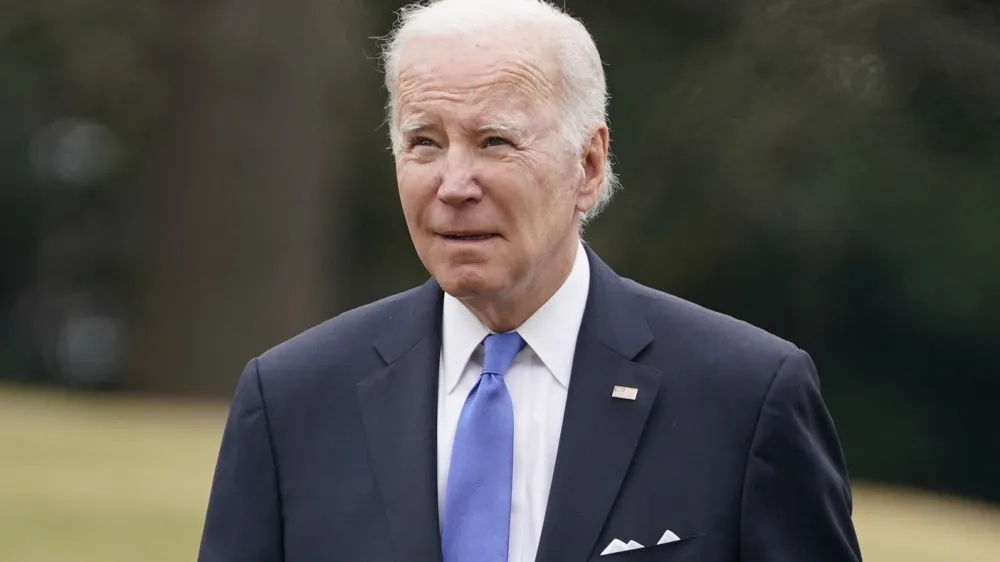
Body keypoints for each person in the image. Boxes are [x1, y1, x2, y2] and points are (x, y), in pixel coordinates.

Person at [197, 0, 863, 561]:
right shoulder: (291, 401)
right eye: (424, 142)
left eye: (495, 142)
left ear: (590, 165)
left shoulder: (744, 398)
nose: (454, 186)